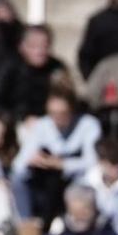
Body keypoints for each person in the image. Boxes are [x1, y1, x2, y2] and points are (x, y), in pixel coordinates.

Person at [11, 88, 101, 227]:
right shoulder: (42, 125)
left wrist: (62, 164)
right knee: (18, 179)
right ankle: (27, 227)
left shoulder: (88, 125)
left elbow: (94, 162)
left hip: (76, 182)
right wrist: (34, 160)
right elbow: (18, 164)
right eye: (53, 113)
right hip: (45, 184)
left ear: (72, 110)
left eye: (62, 113)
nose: (57, 118)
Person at [0, 21, 65, 125]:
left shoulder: (57, 67)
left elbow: (67, 99)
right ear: (22, 47)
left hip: (51, 122)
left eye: (45, 45)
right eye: (34, 46)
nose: (40, 51)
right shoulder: (10, 67)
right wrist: (20, 118)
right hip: (15, 123)